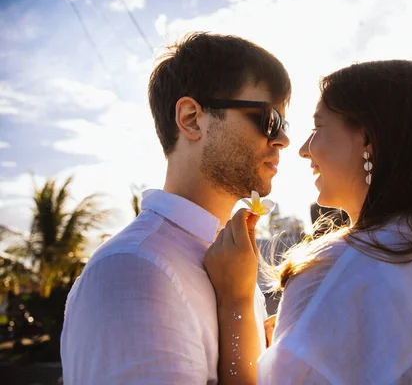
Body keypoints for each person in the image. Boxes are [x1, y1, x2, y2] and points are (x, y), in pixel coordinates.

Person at [205, 60, 412, 384]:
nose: (304, 149)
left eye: (318, 127)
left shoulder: (337, 271)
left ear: (367, 139)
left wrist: (234, 299)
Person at [60, 32, 292, 384]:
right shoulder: (134, 271)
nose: (283, 139)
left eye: (283, 124)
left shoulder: (231, 267)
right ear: (191, 118)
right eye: (269, 119)